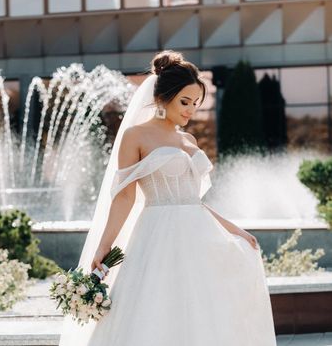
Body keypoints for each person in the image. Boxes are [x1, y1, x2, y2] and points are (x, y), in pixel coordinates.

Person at [57, 50, 277, 345]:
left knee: (206, 309)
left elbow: (194, 202)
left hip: (199, 235)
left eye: (196, 103)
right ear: (164, 97)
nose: (190, 110)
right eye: (184, 101)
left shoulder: (189, 140)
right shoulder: (135, 135)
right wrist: (104, 247)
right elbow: (124, 198)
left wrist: (236, 230)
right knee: (157, 307)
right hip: (158, 234)